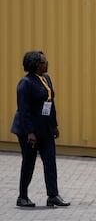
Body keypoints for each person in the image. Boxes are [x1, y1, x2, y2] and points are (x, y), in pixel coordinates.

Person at [11, 51, 70, 208]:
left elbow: (50, 104)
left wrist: (54, 125)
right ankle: (22, 196)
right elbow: (24, 110)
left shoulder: (46, 78)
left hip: (45, 129)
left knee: (50, 161)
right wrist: (30, 132)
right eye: (44, 62)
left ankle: (53, 195)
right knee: (29, 163)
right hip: (28, 131)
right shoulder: (25, 83)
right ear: (35, 65)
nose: (47, 64)